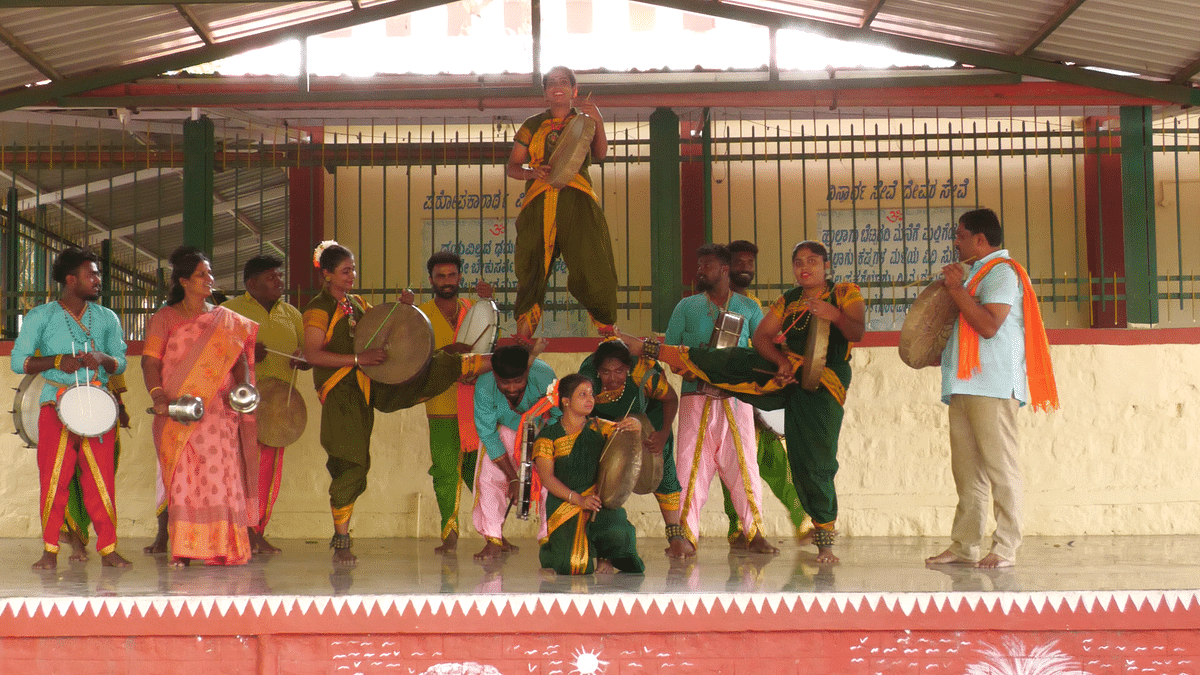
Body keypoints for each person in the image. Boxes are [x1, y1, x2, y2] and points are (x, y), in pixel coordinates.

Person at [623, 240, 866, 563]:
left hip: (822, 388)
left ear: (826, 266)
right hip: (766, 379)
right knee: (734, 364)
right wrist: (780, 363)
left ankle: (813, 541)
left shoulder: (844, 292)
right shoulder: (786, 300)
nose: (804, 267)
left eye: (812, 261)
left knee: (805, 463)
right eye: (797, 262)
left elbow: (857, 331)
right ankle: (652, 349)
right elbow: (763, 339)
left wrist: (832, 313)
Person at [302, 241, 491, 566]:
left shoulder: (355, 303)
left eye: (353, 270)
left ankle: (494, 364)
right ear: (328, 274)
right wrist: (359, 358)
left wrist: (403, 309)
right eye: (346, 271)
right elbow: (312, 354)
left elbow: (381, 332)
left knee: (435, 365)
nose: (352, 276)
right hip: (342, 393)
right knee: (352, 462)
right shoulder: (319, 309)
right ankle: (342, 539)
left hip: (371, 384)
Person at [925, 208, 1058, 569]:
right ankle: (965, 544)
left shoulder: (1002, 273)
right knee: (967, 473)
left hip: (994, 383)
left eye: (961, 235)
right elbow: (966, 326)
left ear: (980, 240)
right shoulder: (975, 276)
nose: (956, 241)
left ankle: (1005, 547)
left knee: (1001, 469)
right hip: (966, 384)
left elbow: (988, 326)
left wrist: (955, 288)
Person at [10, 247, 131, 570]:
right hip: (56, 403)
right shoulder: (41, 315)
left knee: (101, 481)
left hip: (98, 406)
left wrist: (104, 359)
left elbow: (120, 362)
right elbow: (18, 361)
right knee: (54, 480)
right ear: (70, 279)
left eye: (97, 275)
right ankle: (50, 550)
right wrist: (56, 361)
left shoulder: (107, 317)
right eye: (91, 274)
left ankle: (109, 549)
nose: (97, 280)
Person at [143, 246, 260, 566]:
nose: (209, 279)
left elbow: (238, 363)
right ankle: (184, 549)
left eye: (209, 273)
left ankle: (221, 547)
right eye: (201, 274)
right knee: (182, 482)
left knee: (219, 481)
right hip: (179, 414)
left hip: (218, 414)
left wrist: (245, 386)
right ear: (183, 281)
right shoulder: (164, 318)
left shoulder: (226, 321)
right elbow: (150, 363)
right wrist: (160, 399)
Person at [663, 243, 774, 555]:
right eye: (699, 265)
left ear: (724, 270)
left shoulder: (749, 307)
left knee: (745, 466)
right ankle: (685, 537)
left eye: (707, 265)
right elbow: (671, 352)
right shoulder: (685, 307)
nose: (700, 271)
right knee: (687, 467)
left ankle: (756, 534)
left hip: (736, 401)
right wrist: (685, 366)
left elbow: (762, 353)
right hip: (694, 397)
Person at [505, 65, 619, 341]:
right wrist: (533, 172)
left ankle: (608, 335)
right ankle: (523, 337)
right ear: (545, 93)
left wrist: (599, 121)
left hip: (577, 198)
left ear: (574, 90)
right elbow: (512, 167)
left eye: (564, 82)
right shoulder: (532, 125)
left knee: (593, 261)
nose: (558, 85)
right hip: (538, 201)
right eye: (552, 82)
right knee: (531, 265)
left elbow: (600, 154)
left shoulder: (586, 121)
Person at [721, 239, 813, 547]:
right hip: (723, 396)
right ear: (725, 266)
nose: (746, 268)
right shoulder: (711, 303)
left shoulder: (754, 306)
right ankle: (738, 526)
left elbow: (767, 345)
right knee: (732, 464)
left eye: (750, 263)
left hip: (756, 394)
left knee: (774, 458)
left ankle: (802, 520)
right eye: (740, 262)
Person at [222, 254, 310, 555]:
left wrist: (303, 360)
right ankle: (239, 532)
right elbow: (212, 357)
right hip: (239, 406)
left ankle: (258, 530)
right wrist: (243, 354)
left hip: (278, 408)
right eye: (272, 277)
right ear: (251, 283)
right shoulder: (229, 311)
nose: (279, 282)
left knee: (269, 474)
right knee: (238, 471)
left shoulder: (293, 314)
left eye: (279, 276)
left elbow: (306, 355)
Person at [408, 251, 493, 554]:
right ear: (431, 279)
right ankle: (450, 534)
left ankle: (493, 533)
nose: (447, 281)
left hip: (476, 405)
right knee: (445, 471)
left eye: (452, 275)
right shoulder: (419, 314)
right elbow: (412, 359)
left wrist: (489, 304)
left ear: (460, 278)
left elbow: (490, 347)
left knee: (482, 472)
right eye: (440, 276)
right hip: (441, 404)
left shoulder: (475, 310)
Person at [577, 339, 692, 558]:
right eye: (606, 372)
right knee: (600, 471)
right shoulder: (587, 383)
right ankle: (595, 533)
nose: (612, 378)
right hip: (603, 422)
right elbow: (580, 417)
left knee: (662, 461)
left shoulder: (645, 374)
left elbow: (670, 399)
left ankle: (676, 537)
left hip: (651, 414)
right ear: (597, 370)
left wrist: (663, 434)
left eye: (619, 371)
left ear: (628, 368)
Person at [535, 373, 645, 575]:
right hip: (565, 503)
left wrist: (635, 427)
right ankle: (549, 552)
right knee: (574, 565)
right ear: (566, 401)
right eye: (582, 394)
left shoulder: (600, 426)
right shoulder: (548, 436)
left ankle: (605, 555)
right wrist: (577, 499)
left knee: (619, 535)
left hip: (598, 500)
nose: (590, 399)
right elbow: (546, 478)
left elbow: (626, 440)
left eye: (591, 394)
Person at [472, 344, 558, 560]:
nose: (511, 388)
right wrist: (513, 479)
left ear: (527, 371)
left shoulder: (544, 374)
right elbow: (488, 434)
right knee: (489, 478)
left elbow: (558, 414)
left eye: (518, 381)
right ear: (494, 375)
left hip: (540, 430)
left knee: (551, 481)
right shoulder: (484, 385)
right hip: (503, 432)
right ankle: (493, 539)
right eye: (504, 382)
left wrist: (543, 447)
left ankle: (550, 539)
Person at [60, 374, 131, 562]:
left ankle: (107, 547)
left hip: (102, 408)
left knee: (101, 480)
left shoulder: (108, 343)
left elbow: (115, 367)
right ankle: (76, 539)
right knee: (69, 477)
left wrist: (120, 407)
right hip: (64, 405)